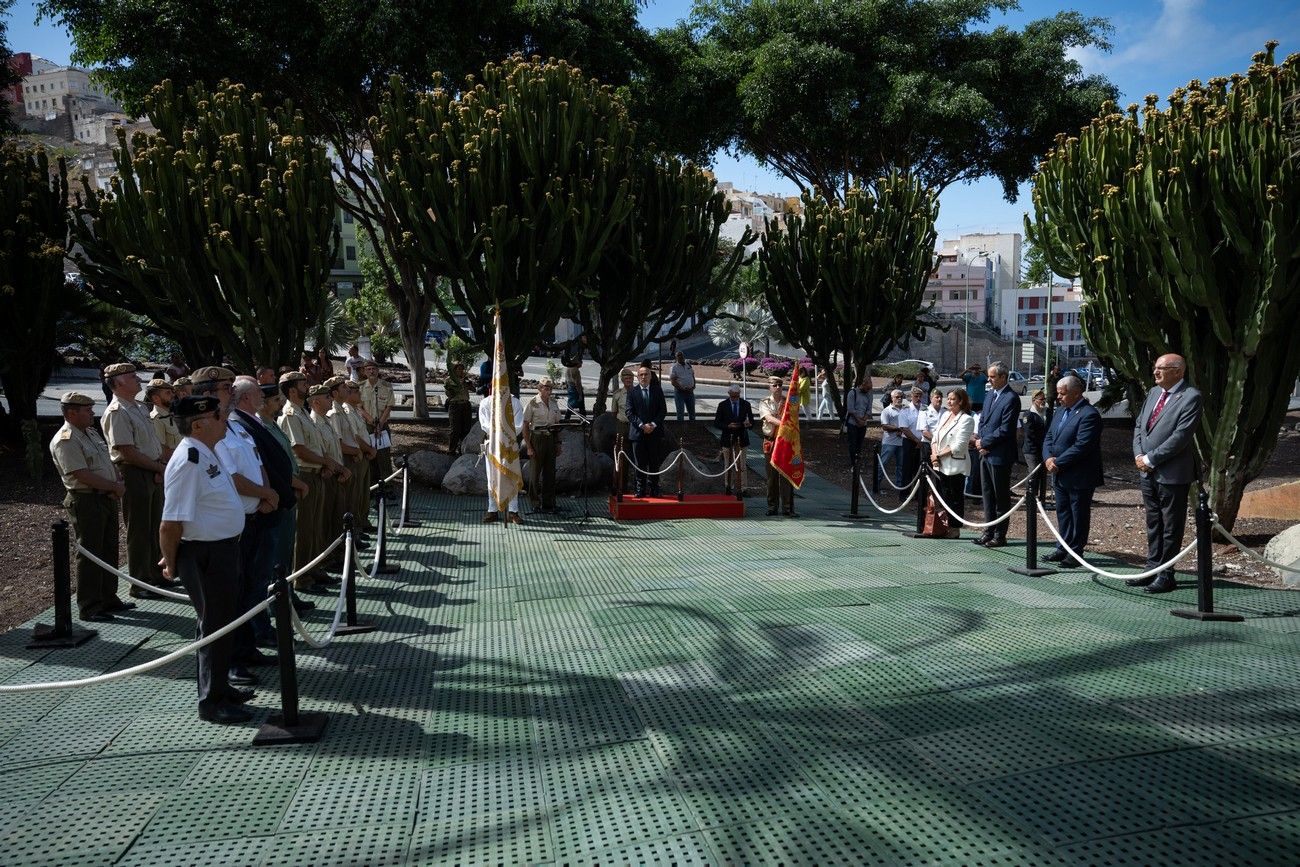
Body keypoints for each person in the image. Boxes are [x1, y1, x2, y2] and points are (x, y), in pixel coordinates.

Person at [159, 395, 254, 725]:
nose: (224, 418)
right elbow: (171, 523)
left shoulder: (206, 452)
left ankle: (222, 687)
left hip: (223, 550)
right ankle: (211, 702)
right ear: (199, 423)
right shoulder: (188, 460)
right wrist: (170, 562)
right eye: (218, 414)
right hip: (205, 555)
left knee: (224, 623)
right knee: (213, 627)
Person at [49, 391, 129, 622]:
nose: (92, 413)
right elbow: (80, 474)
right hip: (86, 499)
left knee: (108, 548)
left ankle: (108, 597)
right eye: (87, 410)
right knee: (91, 552)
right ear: (71, 413)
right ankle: (90, 606)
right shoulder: (66, 439)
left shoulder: (90, 433)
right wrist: (114, 487)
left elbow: (107, 462)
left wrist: (117, 483)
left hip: (105, 497)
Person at [1131, 353, 1203, 594]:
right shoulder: (1153, 393)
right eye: (1155, 367)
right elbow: (1140, 425)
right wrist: (1139, 455)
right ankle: (1151, 568)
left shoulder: (1191, 397)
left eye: (1163, 368)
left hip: (1172, 473)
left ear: (1178, 372)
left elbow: (1180, 437)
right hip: (1147, 471)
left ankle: (1166, 573)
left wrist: (1151, 459)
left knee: (1171, 525)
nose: (1156, 372)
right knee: (1153, 522)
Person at [101, 362, 172, 598]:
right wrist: (157, 466)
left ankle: (155, 576)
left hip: (151, 469)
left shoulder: (139, 408)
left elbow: (152, 442)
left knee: (154, 526)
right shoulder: (117, 412)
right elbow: (127, 452)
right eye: (132, 377)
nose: (138, 380)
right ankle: (140, 583)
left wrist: (161, 464)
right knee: (139, 530)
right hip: (135, 472)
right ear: (118, 383)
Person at [255, 382, 314, 617]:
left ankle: (287, 592)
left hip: (288, 493)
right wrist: (295, 483)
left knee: (286, 548)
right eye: (276, 400)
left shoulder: (272, 426)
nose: (281, 404)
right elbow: (272, 467)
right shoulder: (262, 428)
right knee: (276, 553)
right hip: (280, 493)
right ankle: (276, 600)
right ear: (264, 403)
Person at [278, 372, 335, 591]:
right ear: (292, 390)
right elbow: (299, 449)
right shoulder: (291, 414)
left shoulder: (302, 413)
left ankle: (313, 568)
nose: (307, 386)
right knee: (304, 529)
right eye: (303, 384)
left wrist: (324, 464)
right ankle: (302, 577)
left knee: (315, 527)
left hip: (316, 473)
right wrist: (326, 462)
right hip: (305, 474)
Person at [1043, 375, 1104, 563]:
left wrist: (1057, 462)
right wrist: (1047, 458)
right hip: (1060, 473)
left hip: (1079, 474)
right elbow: (1049, 437)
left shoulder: (1089, 414)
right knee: (1063, 512)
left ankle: (1076, 551)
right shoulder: (1061, 412)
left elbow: (1082, 446)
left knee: (1078, 513)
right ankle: (1062, 546)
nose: (1059, 397)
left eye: (1063, 394)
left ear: (1077, 393)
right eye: (1058, 394)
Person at [973, 362, 1018, 547]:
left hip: (999, 455)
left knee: (1000, 497)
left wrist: (985, 443)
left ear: (1003, 377)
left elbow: (1006, 429)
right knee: (987, 495)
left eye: (992, 377)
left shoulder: (1011, 398)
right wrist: (980, 441)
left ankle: (1000, 535)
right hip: (985, 453)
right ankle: (988, 531)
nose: (989, 380)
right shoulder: (990, 394)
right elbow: (983, 420)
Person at [308, 383, 352, 565]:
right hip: (326, 475)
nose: (330, 400)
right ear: (316, 401)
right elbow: (320, 453)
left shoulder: (325, 420)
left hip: (336, 473)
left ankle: (335, 554)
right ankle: (326, 558)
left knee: (336, 517)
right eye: (327, 397)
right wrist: (337, 468)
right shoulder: (314, 423)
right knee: (325, 520)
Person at [928, 388, 975, 538]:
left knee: (954, 498)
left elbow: (959, 446)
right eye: (948, 398)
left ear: (961, 401)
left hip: (955, 465)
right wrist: (934, 453)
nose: (949, 401)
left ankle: (955, 528)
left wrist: (938, 455)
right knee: (943, 496)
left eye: (952, 399)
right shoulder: (945, 415)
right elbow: (935, 437)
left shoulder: (967, 419)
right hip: (940, 464)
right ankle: (944, 525)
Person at [478, 378, 524, 523]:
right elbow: (484, 423)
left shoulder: (514, 402)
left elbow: (518, 425)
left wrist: (505, 435)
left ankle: (513, 511)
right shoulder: (486, 403)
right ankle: (492, 510)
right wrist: (497, 434)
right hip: (492, 444)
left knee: (511, 476)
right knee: (492, 477)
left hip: (509, 444)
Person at [626, 363, 668, 497]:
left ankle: (654, 488)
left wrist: (653, 425)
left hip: (654, 433)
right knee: (639, 462)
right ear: (638, 377)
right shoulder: (632, 392)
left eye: (646, 374)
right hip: (638, 434)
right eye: (641, 375)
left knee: (654, 461)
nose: (644, 377)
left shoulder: (657, 390)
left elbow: (663, 410)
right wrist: (642, 425)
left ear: (651, 376)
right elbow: (629, 412)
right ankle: (640, 488)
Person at [342, 380, 379, 531]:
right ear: (348, 393)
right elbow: (355, 437)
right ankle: (355, 527)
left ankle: (362, 522)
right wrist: (369, 450)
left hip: (362, 455)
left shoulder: (355, 410)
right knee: (355, 494)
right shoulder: (347, 411)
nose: (360, 394)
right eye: (356, 391)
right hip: (355, 456)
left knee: (363, 492)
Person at [523, 380, 563, 512]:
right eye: (546, 388)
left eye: (550, 388)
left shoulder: (554, 403)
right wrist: (528, 446)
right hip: (537, 437)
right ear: (539, 388)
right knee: (535, 473)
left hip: (551, 437)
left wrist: (558, 443)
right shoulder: (532, 402)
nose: (548, 391)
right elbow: (525, 425)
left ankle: (548, 503)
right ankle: (535, 502)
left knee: (550, 473)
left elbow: (557, 425)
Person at [758, 376, 795, 516]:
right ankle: (772, 507)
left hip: (785, 442)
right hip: (771, 441)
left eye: (780, 384)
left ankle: (787, 508)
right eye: (775, 385)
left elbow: (794, 417)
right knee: (772, 477)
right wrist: (783, 423)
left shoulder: (789, 402)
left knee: (786, 475)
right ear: (769, 386)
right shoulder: (764, 402)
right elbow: (768, 418)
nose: (778, 387)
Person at [713, 383, 753, 496]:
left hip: (741, 438)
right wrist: (728, 426)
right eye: (732, 396)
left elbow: (752, 422)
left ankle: (743, 488)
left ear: (739, 394)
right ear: (729, 394)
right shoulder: (722, 405)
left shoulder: (746, 404)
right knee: (728, 464)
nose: (734, 398)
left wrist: (748, 424)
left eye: (736, 396)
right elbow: (716, 423)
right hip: (727, 438)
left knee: (742, 465)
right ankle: (728, 487)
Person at [1020, 389, 1049, 501]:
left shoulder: (1047, 412)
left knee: (1043, 474)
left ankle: (1041, 499)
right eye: (1041, 399)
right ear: (1034, 400)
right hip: (1031, 449)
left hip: (1044, 448)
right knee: (1033, 472)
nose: (1043, 401)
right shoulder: (1029, 415)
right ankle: (1031, 498)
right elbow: (1030, 434)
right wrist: (1041, 446)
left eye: (1044, 399)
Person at [145, 379, 181, 463]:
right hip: (174, 463)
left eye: (172, 392)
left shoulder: (172, 414)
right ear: (156, 398)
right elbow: (162, 450)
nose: (173, 395)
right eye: (168, 393)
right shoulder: (157, 419)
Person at [878, 389, 906, 493]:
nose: (899, 399)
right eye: (897, 397)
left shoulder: (905, 409)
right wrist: (898, 429)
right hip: (889, 442)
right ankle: (876, 484)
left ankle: (899, 487)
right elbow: (884, 426)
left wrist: (901, 430)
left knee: (901, 466)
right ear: (892, 398)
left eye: (901, 397)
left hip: (902, 442)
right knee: (883, 464)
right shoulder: (887, 411)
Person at [844, 376, 873, 469]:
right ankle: (853, 463)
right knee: (852, 443)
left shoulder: (868, 395)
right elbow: (851, 409)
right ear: (862, 384)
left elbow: (869, 410)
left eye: (870, 388)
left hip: (863, 423)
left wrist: (864, 419)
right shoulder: (852, 393)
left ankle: (858, 462)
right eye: (867, 388)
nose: (868, 390)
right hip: (853, 423)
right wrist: (858, 420)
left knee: (859, 444)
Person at [444, 361, 472, 456]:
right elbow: (449, 394)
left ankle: (462, 449)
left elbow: (474, 389)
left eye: (462, 369)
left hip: (466, 405)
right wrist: (458, 385)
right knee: (455, 430)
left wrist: (468, 384)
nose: (460, 371)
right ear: (454, 370)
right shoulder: (449, 380)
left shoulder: (465, 379)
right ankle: (451, 450)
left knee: (466, 429)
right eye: (458, 369)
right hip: (455, 405)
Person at [669, 351, 696, 422]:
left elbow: (692, 376)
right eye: (679, 355)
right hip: (680, 393)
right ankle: (680, 430)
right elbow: (673, 381)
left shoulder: (688, 365)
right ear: (676, 357)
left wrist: (693, 386)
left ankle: (693, 428)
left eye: (682, 355)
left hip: (690, 392)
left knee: (692, 412)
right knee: (680, 412)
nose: (681, 357)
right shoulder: (674, 367)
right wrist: (682, 388)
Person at [562, 352, 585, 421]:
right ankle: (583, 420)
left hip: (570, 388)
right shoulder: (576, 370)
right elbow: (577, 384)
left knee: (570, 406)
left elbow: (566, 382)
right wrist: (580, 395)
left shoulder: (567, 369)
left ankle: (566, 420)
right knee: (581, 407)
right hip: (576, 390)